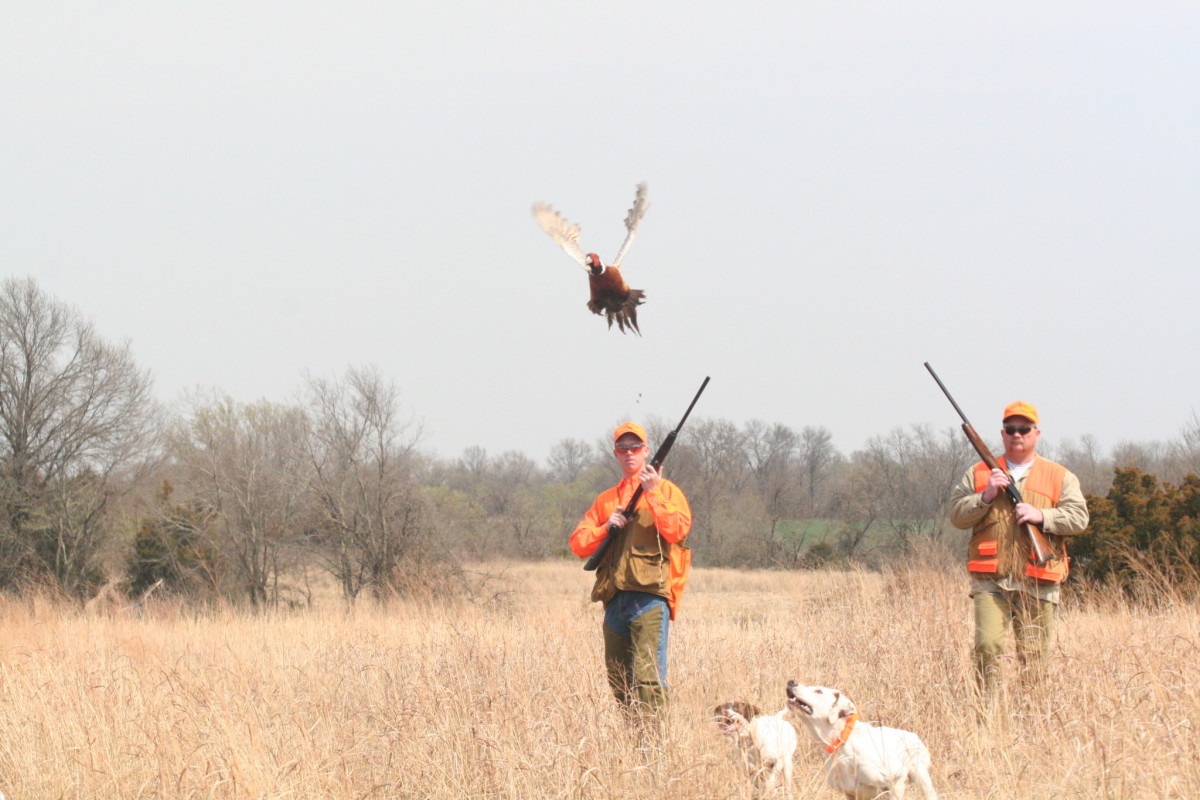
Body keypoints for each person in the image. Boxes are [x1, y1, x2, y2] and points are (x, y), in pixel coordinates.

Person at [948, 401, 1089, 698]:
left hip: (1038, 579)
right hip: (991, 580)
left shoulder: (1059, 475)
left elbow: (1079, 519)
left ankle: (1031, 720)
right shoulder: (978, 473)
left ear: (1037, 433)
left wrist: (1043, 516)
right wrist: (985, 496)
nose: (1017, 435)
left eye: (1024, 429)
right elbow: (957, 517)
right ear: (1002, 434)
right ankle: (984, 715)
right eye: (1011, 429)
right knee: (986, 647)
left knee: (1034, 657)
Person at [569, 422, 692, 716]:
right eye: (622, 449)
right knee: (619, 681)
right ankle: (634, 743)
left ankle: (654, 751)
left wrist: (654, 493)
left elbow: (677, 531)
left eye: (635, 447)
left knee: (648, 679)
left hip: (650, 598)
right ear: (615, 454)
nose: (629, 453)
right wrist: (604, 527)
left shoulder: (668, 492)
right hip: (614, 601)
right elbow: (578, 544)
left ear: (647, 451)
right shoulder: (606, 499)